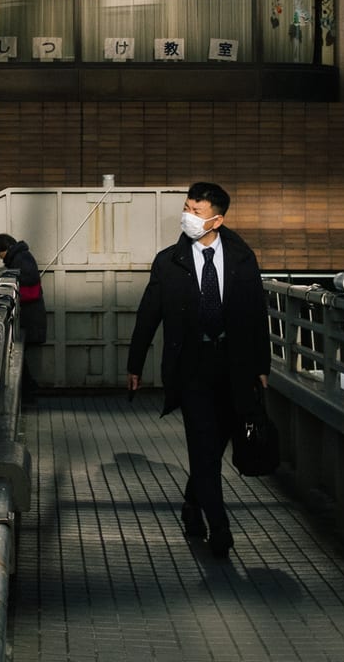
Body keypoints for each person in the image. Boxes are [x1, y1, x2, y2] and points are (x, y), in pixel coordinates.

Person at [125, 182, 270, 557]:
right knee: (203, 446)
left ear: (216, 220)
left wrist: (261, 365)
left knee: (214, 447)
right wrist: (134, 363)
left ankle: (192, 503)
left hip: (234, 366)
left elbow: (256, 313)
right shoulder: (169, 261)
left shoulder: (241, 257)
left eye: (197, 211)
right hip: (191, 367)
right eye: (187, 208)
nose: (187, 216)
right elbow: (149, 314)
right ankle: (219, 528)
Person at [0, 234, 48, 390]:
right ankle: (29, 390)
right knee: (17, 356)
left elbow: (30, 285)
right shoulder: (22, 257)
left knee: (16, 356)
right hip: (31, 315)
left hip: (29, 317)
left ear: (6, 248)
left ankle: (29, 390)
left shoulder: (20, 259)